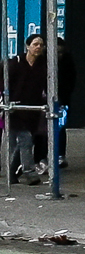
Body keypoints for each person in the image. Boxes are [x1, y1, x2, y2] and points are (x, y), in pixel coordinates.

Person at [2, 35, 42, 186]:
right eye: (35, 44)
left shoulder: (42, 64)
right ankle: (29, 172)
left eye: (41, 45)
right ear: (28, 46)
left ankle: (11, 173)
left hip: (33, 108)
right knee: (25, 139)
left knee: (17, 142)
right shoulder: (16, 62)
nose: (38, 47)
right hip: (15, 107)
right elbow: (5, 81)